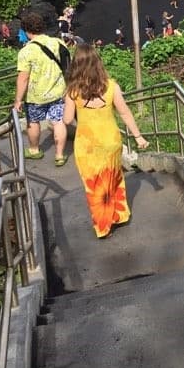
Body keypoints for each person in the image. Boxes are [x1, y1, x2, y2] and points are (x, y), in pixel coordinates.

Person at [63, 44, 149, 238]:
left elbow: (67, 120)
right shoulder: (111, 86)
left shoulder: (72, 91)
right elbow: (125, 113)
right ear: (98, 63)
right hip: (110, 140)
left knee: (94, 184)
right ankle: (119, 215)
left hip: (87, 145)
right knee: (113, 176)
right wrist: (138, 136)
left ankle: (103, 225)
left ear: (76, 65)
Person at [13, 12, 68, 165]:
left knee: (34, 122)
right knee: (58, 122)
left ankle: (34, 150)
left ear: (26, 30)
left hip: (35, 96)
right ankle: (59, 155)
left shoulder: (26, 52)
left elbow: (23, 78)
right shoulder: (57, 43)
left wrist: (18, 100)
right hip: (58, 92)